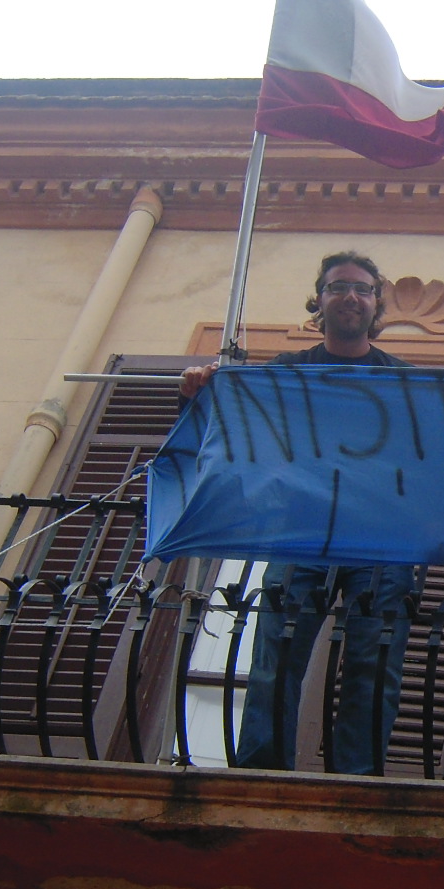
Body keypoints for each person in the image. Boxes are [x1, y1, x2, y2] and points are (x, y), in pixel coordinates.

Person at [180, 252, 415, 774]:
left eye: (362, 288)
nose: (350, 297)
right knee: (275, 657)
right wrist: (204, 392)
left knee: (373, 661)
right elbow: (229, 434)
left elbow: (441, 454)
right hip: (299, 533)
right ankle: (262, 771)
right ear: (320, 301)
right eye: (338, 288)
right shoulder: (284, 374)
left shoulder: (405, 380)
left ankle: (358, 781)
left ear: (376, 303)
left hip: (380, 540)